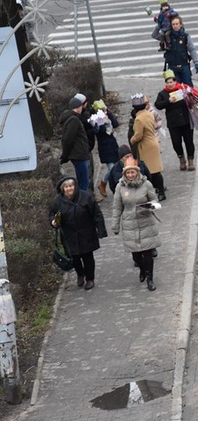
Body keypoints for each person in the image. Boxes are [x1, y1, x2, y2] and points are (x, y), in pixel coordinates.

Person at [49, 176, 107, 290]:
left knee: (87, 257)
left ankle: (90, 279)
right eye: (66, 187)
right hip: (68, 235)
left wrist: (100, 230)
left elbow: (97, 214)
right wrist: (53, 221)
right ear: (62, 189)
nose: (69, 189)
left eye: (71, 186)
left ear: (75, 187)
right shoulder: (58, 202)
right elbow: (53, 214)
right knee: (74, 257)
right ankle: (80, 274)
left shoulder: (86, 197)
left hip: (86, 232)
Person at [113, 156, 161, 291]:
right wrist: (115, 224)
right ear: (124, 173)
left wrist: (150, 206)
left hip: (146, 222)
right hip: (129, 224)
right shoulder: (120, 187)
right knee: (135, 254)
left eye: (132, 172)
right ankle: (142, 269)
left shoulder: (147, 185)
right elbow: (117, 206)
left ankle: (150, 278)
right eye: (128, 173)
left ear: (137, 172)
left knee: (147, 253)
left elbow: (155, 201)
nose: (130, 175)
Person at [154, 70, 198, 171]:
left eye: (171, 82)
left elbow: (192, 99)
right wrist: (168, 101)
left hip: (186, 120)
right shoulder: (163, 93)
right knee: (176, 142)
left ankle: (191, 160)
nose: (169, 84)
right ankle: (181, 158)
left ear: (175, 81)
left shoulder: (182, 89)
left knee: (189, 141)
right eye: (167, 82)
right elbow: (158, 105)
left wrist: (188, 97)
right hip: (173, 123)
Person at [130, 94, 166, 201]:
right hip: (153, 142)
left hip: (146, 146)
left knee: (152, 171)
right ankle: (159, 190)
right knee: (155, 170)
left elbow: (138, 135)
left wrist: (132, 140)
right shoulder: (148, 114)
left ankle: (160, 191)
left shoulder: (139, 119)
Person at [59, 93, 91, 193]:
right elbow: (68, 139)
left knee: (82, 180)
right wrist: (65, 155)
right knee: (83, 183)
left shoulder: (69, 118)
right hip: (79, 155)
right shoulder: (74, 120)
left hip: (78, 154)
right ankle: (84, 204)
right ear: (78, 108)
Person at [88, 99, 120, 201]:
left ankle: (112, 186)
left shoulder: (107, 116)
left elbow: (115, 124)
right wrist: (102, 121)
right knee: (111, 168)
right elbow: (99, 132)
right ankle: (103, 183)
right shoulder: (95, 119)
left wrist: (109, 113)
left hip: (113, 144)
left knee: (116, 166)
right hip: (104, 146)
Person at [163, 16, 198, 86]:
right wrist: (159, 25)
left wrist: (196, 62)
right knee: (175, 88)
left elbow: (192, 49)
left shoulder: (185, 36)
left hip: (184, 65)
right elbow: (154, 35)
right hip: (172, 67)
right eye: (173, 24)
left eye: (177, 24)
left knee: (188, 87)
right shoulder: (167, 36)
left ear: (180, 24)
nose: (175, 26)